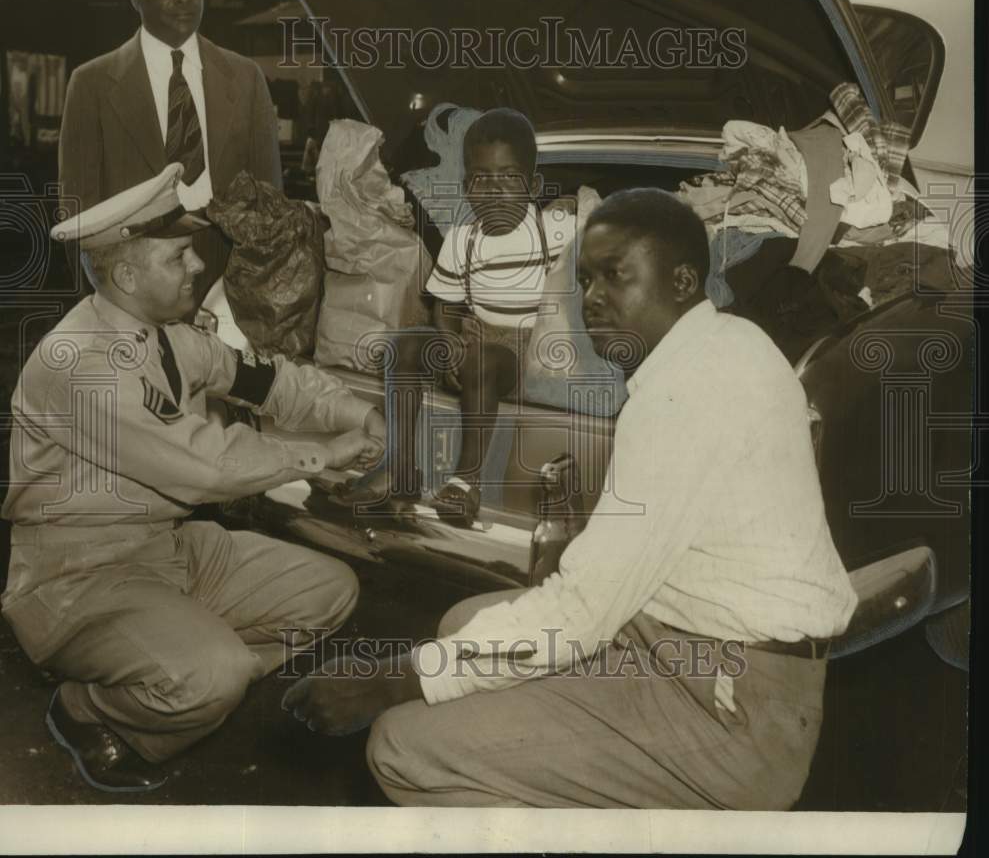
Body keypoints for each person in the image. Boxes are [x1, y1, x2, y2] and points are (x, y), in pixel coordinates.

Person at [283, 188, 859, 810]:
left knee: (402, 744)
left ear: (685, 280)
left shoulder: (688, 392)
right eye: (585, 279)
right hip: (699, 651)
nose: (593, 300)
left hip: (733, 713)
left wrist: (397, 678)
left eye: (617, 276)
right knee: (460, 628)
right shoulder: (729, 344)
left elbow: (583, 613)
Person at [2, 164, 386, 793]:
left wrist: (356, 412)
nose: (198, 267)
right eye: (179, 256)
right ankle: (91, 709)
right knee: (214, 676)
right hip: (79, 578)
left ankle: (182, 661)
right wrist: (323, 454)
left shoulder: (169, 340)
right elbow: (207, 463)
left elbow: (271, 383)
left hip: (168, 550)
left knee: (329, 591)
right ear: (127, 275)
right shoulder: (82, 364)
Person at [334, 108, 575, 526]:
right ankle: (401, 467)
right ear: (467, 187)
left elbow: (595, 237)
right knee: (404, 344)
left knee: (484, 358)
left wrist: (581, 205)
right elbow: (444, 304)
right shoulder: (463, 239)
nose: (494, 190)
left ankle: (465, 483)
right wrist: (448, 338)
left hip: (525, 351)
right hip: (475, 341)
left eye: (508, 177)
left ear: (533, 185)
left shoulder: (553, 230)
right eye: (481, 178)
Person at [57, 0, 282, 305]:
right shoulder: (92, 83)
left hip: (231, 273)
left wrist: (262, 284)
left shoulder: (246, 78)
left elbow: (270, 198)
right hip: (135, 275)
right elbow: (78, 206)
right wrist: (101, 295)